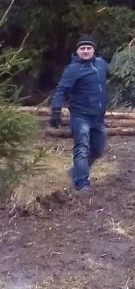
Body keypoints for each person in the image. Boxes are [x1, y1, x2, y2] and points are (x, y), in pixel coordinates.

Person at [50, 35, 108, 192]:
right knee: (82, 148)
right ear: (77, 51)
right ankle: (82, 183)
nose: (86, 51)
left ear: (93, 50)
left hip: (98, 117)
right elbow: (61, 90)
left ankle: (75, 171)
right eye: (82, 48)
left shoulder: (101, 64)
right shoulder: (73, 70)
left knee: (98, 149)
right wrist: (56, 110)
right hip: (80, 115)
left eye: (89, 48)